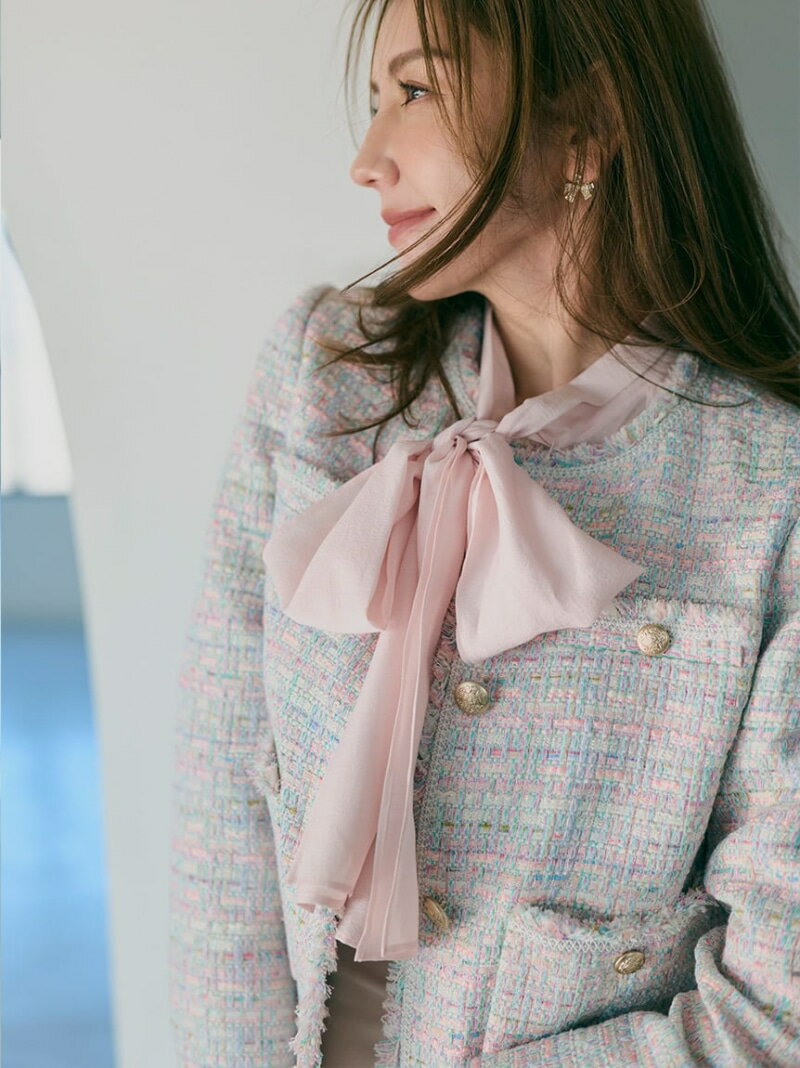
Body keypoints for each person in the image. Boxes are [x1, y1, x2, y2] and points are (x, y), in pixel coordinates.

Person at [168, 0, 800, 1065]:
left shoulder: (772, 492)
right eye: (375, 99)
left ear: (587, 124)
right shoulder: (320, 375)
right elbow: (222, 818)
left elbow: (774, 1015)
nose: (367, 158)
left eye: (415, 90)